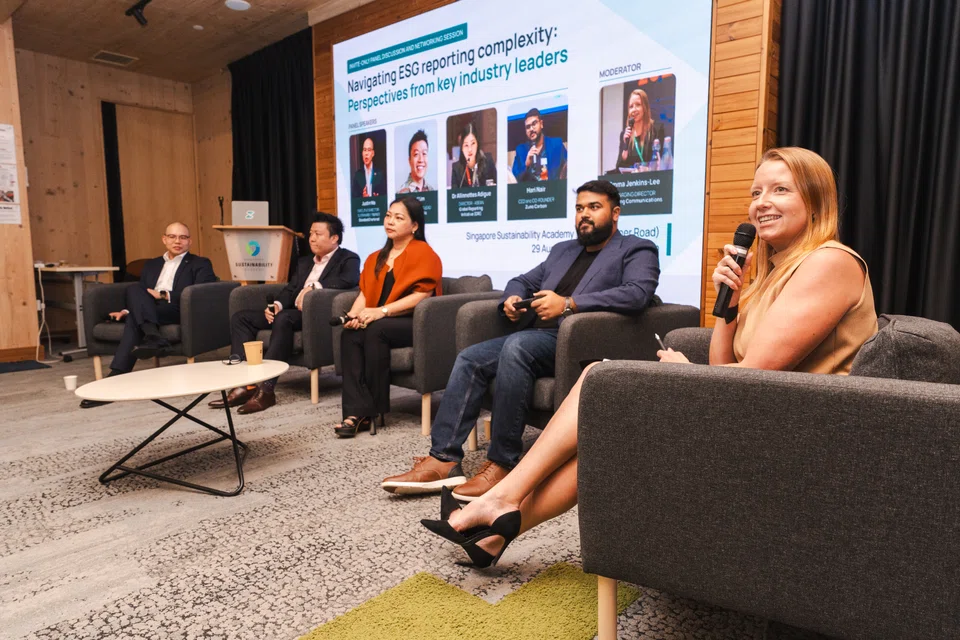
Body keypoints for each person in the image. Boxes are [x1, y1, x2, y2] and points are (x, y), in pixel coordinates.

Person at [422, 147, 879, 568]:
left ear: (817, 200)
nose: (762, 202)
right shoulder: (769, 273)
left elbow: (754, 374)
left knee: (604, 378)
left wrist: (686, 375)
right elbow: (727, 368)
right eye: (756, 192)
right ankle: (497, 531)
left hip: (798, 426)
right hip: (757, 407)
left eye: (781, 189)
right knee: (607, 420)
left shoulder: (828, 262)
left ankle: (503, 495)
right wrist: (730, 305)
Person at [382, 179, 660, 500]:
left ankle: (503, 462)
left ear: (615, 213)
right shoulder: (563, 250)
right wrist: (512, 301)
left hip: (585, 339)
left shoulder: (636, 248)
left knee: (517, 346)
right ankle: (444, 460)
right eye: (579, 208)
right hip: (540, 336)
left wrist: (568, 303)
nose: (584, 215)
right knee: (471, 358)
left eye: (594, 208)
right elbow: (522, 280)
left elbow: (637, 294)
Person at [211, 212, 361, 414]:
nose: (312, 238)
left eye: (318, 234)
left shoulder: (348, 258)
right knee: (242, 318)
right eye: (310, 234)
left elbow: (348, 282)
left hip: (316, 315)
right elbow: (290, 289)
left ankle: (267, 389)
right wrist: (277, 305)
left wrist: (315, 287)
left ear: (334, 238)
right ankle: (244, 384)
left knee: (285, 318)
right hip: (290, 313)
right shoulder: (304, 262)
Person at [335, 196, 442, 438]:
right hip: (380, 320)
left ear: (415, 226)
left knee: (375, 330)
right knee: (350, 333)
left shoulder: (425, 253)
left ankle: (374, 409)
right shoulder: (376, 257)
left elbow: (422, 297)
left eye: (398, 217)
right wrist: (353, 315)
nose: (390, 221)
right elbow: (365, 293)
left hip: (413, 322)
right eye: (388, 216)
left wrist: (380, 312)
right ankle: (356, 411)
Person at [79, 222, 217, 409]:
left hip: (178, 308)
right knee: (135, 288)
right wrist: (126, 311)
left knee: (136, 313)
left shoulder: (200, 263)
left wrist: (163, 295)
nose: (177, 241)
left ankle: (116, 377)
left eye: (183, 237)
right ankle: (152, 336)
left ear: (190, 242)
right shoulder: (152, 265)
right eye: (172, 236)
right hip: (150, 310)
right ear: (164, 239)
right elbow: (141, 295)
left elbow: (202, 293)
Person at [511, 108, 567, 182]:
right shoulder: (521, 150)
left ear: (541, 124)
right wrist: (526, 165)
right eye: (528, 127)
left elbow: (569, 166)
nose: (531, 129)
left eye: (534, 124)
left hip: (553, 190)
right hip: (530, 192)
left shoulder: (556, 144)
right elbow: (514, 179)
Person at [615, 89, 665, 170]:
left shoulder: (657, 129)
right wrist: (625, 146)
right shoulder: (625, 134)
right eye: (631, 106)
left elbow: (661, 162)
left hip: (652, 180)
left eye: (638, 105)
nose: (634, 109)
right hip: (632, 181)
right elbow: (618, 168)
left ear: (645, 107)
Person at [450, 122, 497, 188]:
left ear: (477, 144)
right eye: (466, 145)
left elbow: (497, 188)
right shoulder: (456, 168)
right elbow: (453, 195)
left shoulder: (487, 161)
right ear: (462, 148)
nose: (470, 149)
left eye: (473, 143)